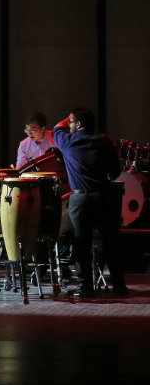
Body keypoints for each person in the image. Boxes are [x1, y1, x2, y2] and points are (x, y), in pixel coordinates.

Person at [51, 108, 128, 297]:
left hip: (80, 199)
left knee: (80, 243)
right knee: (111, 242)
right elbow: (115, 173)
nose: (69, 126)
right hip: (105, 198)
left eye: (72, 122)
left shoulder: (67, 142)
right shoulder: (105, 143)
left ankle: (85, 286)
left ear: (77, 124)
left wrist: (68, 115)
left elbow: (56, 128)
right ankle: (119, 285)